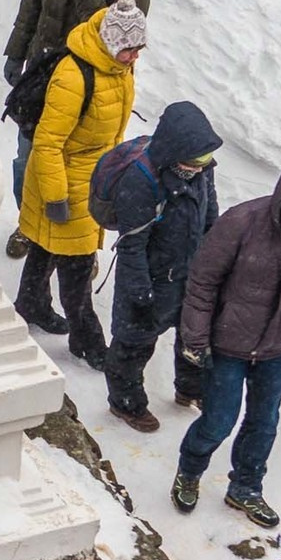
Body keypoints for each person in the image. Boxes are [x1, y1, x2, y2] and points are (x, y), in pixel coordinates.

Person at [171, 156, 281, 528]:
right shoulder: (241, 223)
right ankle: (189, 470)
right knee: (218, 419)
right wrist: (196, 338)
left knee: (264, 422)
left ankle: (246, 487)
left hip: (278, 347)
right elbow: (202, 282)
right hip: (228, 344)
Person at [3, 0, 153, 251]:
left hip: (95, 86)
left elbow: (119, 39)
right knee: (30, 154)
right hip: (44, 73)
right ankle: (29, 225)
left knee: (90, 166)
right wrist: (17, 51)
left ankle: (83, 245)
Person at [14, 0, 143, 368]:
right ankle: (87, 342)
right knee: (78, 268)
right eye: (128, 49)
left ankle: (31, 303)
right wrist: (56, 196)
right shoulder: (74, 75)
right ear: (110, 43)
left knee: (45, 246)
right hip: (66, 183)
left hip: (92, 178)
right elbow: (48, 141)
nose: (134, 56)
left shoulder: (118, 69)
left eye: (138, 49)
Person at [98, 102, 223, 434]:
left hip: (189, 273)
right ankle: (126, 403)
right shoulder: (141, 181)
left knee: (193, 334)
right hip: (150, 276)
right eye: (196, 159)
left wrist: (214, 257)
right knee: (134, 342)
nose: (203, 166)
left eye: (206, 159)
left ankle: (190, 390)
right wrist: (141, 293)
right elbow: (132, 244)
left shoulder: (201, 169)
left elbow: (210, 213)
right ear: (177, 150)